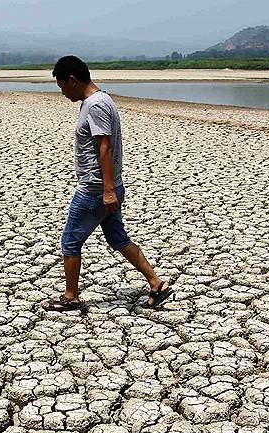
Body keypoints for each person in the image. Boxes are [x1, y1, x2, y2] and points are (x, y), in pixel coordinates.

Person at [42, 55, 172, 312]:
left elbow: (104, 147)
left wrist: (108, 191)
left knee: (70, 241)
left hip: (95, 190)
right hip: (105, 189)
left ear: (72, 80)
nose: (63, 93)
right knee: (118, 238)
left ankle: (70, 297)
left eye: (62, 87)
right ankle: (157, 284)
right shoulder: (97, 101)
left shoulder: (96, 105)